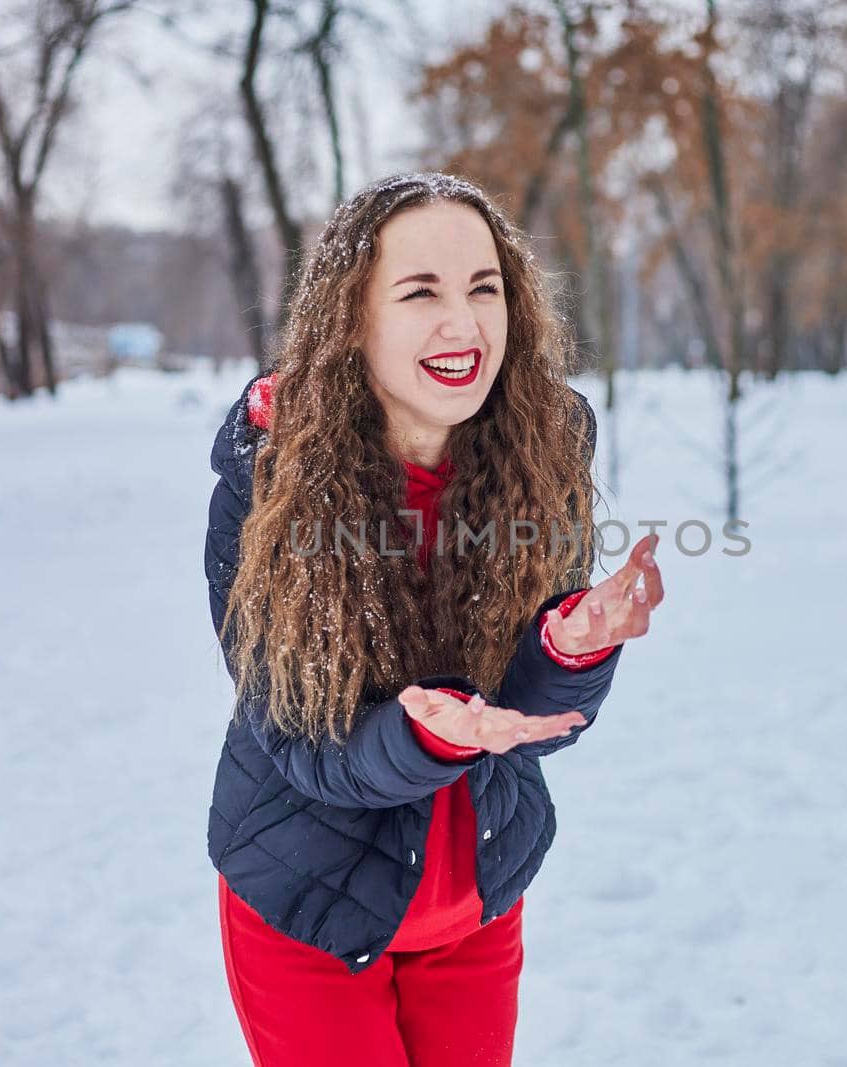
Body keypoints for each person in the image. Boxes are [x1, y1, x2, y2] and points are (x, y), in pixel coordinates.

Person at [204, 171, 666, 1066]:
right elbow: (302, 739)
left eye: (483, 288)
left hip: (476, 906)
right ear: (352, 317)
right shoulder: (270, 480)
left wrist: (570, 647)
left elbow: (528, 726)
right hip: (310, 906)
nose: (464, 324)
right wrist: (431, 739)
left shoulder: (540, 450)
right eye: (421, 292)